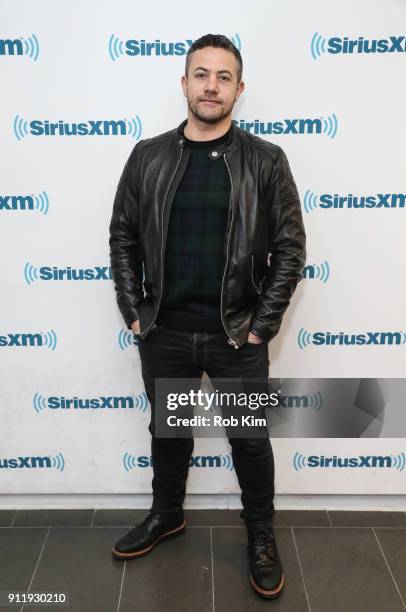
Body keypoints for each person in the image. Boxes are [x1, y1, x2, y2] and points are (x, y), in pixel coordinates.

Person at [109, 33, 306, 600]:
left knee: (248, 440)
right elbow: (123, 234)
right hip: (165, 330)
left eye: (223, 77)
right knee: (169, 433)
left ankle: (261, 534)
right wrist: (133, 308)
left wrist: (261, 325)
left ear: (239, 89)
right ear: (185, 83)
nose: (211, 86)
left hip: (234, 334)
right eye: (201, 74)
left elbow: (290, 248)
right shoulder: (147, 156)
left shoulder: (266, 160)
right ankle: (167, 515)